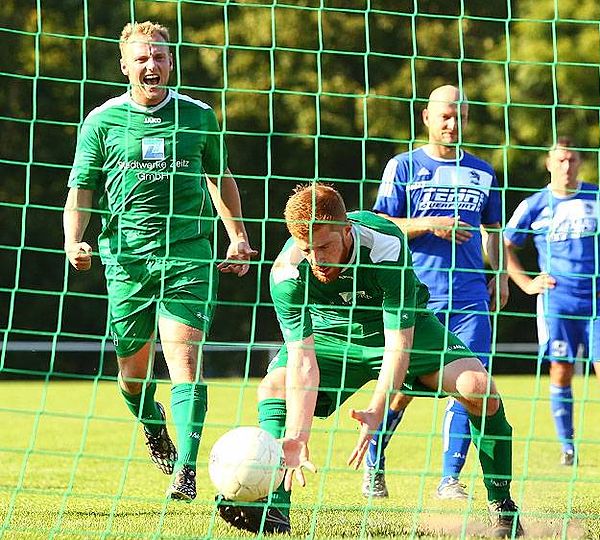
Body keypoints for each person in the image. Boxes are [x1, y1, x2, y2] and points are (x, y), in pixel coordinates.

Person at [216, 184, 522, 537]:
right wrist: (298, 436)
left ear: (347, 230)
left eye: (325, 247)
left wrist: (378, 408)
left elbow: (399, 343)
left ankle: (502, 505)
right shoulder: (287, 272)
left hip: (397, 328)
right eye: (307, 249)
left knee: (479, 388)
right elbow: (302, 360)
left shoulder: (385, 243)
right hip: (330, 331)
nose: (317, 259)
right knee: (274, 386)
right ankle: (273, 508)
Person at [63, 21, 257, 501]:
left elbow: (220, 176)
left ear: (171, 62)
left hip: (187, 255)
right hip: (126, 260)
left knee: (184, 361)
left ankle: (186, 470)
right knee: (132, 374)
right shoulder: (102, 121)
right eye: (142, 58)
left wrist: (237, 236)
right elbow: (81, 189)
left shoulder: (198, 115)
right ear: (125, 66)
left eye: (160, 57)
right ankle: (152, 422)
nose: (152, 65)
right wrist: (74, 242)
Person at [366, 85, 509, 500]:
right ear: (427, 117)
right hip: (417, 297)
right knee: (404, 389)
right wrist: (429, 224)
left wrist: (499, 274)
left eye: (460, 116)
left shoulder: (483, 171)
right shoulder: (403, 166)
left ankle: (450, 478)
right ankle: (374, 462)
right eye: (445, 116)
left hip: (470, 298)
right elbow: (380, 225)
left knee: (472, 385)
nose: (452, 124)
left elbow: (493, 230)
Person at [502, 138, 600, 469]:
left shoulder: (599, 197)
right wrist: (525, 283)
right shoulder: (534, 204)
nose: (567, 166)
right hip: (557, 302)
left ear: (580, 162)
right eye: (561, 160)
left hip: (598, 302)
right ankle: (567, 449)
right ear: (549, 164)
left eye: (572, 160)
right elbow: (504, 244)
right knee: (561, 370)